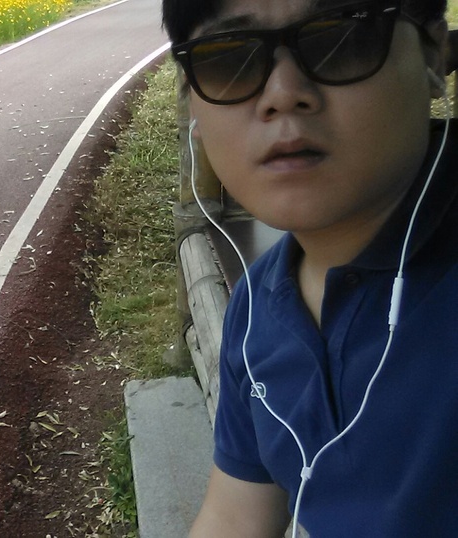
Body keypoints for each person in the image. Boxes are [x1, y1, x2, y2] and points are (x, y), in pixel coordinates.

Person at [162, 0, 455, 536]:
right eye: (227, 58)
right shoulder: (256, 307)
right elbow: (235, 516)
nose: (282, 93)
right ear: (192, 102)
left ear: (433, 53)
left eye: (342, 38)